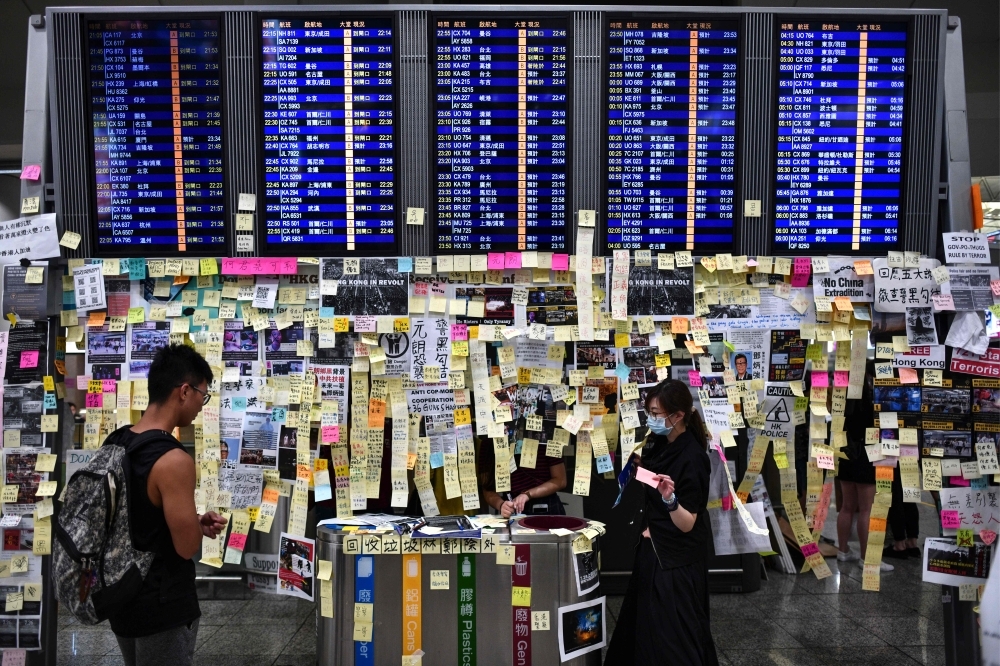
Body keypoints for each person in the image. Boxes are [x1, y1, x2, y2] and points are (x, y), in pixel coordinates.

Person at [107, 344, 227, 666]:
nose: (203, 403)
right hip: (162, 604)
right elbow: (186, 546)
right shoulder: (174, 459)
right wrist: (193, 528)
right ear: (185, 391)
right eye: (204, 393)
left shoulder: (116, 442)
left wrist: (192, 517)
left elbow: (137, 516)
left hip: (120, 597)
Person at [604, 379, 718, 666]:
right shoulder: (661, 443)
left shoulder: (692, 457)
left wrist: (670, 499)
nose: (651, 419)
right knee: (643, 633)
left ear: (678, 416)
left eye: (656, 413)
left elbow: (688, 523)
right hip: (653, 552)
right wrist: (640, 467)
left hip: (675, 562)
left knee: (674, 640)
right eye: (650, 412)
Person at [838, 359, 894, 572]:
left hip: (846, 452)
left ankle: (843, 551)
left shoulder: (845, 399)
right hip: (868, 454)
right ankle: (867, 559)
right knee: (867, 509)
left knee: (847, 507)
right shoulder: (873, 401)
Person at [482, 437, 567, 517]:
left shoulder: (547, 435)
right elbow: (487, 488)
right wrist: (501, 505)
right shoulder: (489, 441)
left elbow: (560, 480)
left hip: (546, 505)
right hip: (511, 505)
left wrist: (527, 494)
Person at [884, 465, 920, 559]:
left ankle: (899, 545)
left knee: (894, 498)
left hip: (890, 457)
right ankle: (912, 543)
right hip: (910, 457)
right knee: (910, 499)